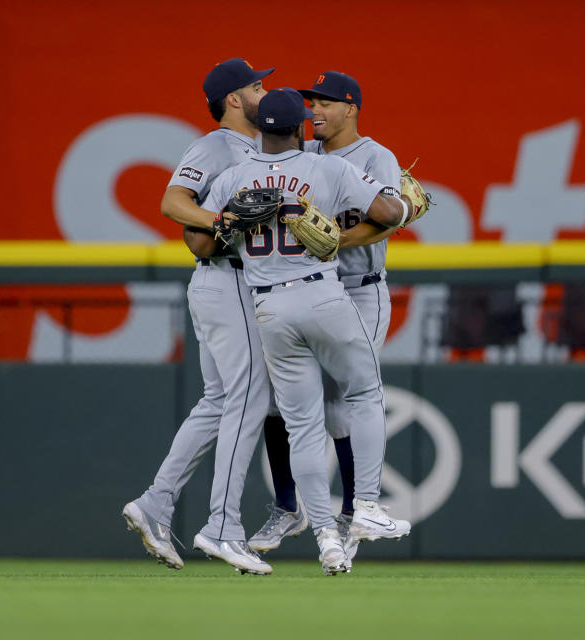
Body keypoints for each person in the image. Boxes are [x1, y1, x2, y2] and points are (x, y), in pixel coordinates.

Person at [201, 88, 413, 575]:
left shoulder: (236, 176)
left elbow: (200, 241)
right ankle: (364, 508)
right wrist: (401, 208)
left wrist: (230, 219)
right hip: (323, 291)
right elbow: (387, 213)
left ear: (260, 129)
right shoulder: (326, 167)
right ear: (300, 128)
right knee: (364, 393)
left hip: (268, 307)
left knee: (301, 426)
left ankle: (326, 540)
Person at [121, 58, 278, 575]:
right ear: (234, 99)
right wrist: (223, 218)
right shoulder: (215, 144)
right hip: (226, 276)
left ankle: (156, 502)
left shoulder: (257, 148)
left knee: (219, 400)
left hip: (233, 280)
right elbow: (172, 201)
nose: (265, 91)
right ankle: (224, 526)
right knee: (250, 394)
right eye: (257, 86)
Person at [248, 72, 402, 563]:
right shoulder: (306, 157)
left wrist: (339, 240)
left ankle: (356, 509)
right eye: (311, 103)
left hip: (360, 290)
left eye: (326, 103)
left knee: (342, 403)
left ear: (351, 107)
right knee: (282, 404)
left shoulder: (376, 157)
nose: (315, 110)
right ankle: (288, 505)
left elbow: (390, 216)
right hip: (309, 292)